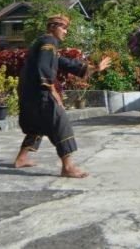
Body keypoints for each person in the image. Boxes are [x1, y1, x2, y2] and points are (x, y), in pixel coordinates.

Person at [14, 14, 111, 177]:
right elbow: (43, 68)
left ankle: (21, 158)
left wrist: (94, 68)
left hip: (30, 93)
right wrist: (53, 91)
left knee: (37, 124)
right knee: (61, 122)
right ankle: (67, 167)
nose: (66, 32)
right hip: (40, 93)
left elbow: (65, 63)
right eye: (64, 28)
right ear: (53, 27)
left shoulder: (45, 43)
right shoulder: (49, 42)